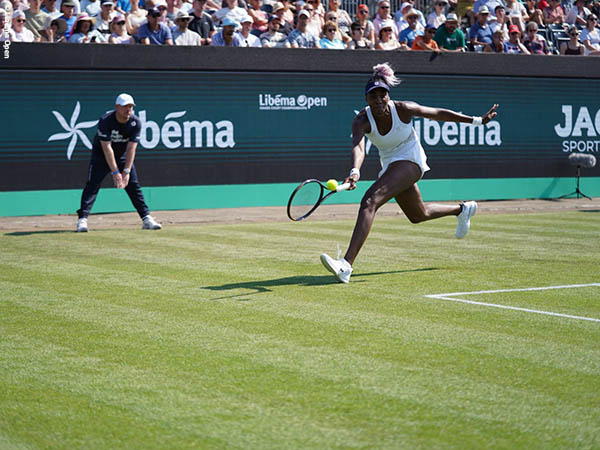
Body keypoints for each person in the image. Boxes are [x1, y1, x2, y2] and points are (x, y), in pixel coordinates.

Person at [320, 63, 498, 284]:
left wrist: (477, 121)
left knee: (369, 201)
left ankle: (346, 265)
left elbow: (438, 114)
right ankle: (462, 209)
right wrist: (355, 171)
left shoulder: (403, 108)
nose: (378, 100)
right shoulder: (361, 121)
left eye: (382, 95)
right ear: (366, 100)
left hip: (411, 160)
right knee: (418, 215)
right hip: (390, 163)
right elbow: (358, 147)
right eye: (372, 96)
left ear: (388, 95)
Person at [77, 94, 162, 233]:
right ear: (117, 107)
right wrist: (116, 172)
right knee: (92, 184)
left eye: (131, 107)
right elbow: (107, 148)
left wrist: (126, 171)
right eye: (125, 107)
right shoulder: (105, 121)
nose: (128, 109)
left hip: (122, 155)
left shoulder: (135, 122)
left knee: (133, 185)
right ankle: (82, 220)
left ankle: (146, 218)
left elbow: (131, 148)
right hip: (101, 156)